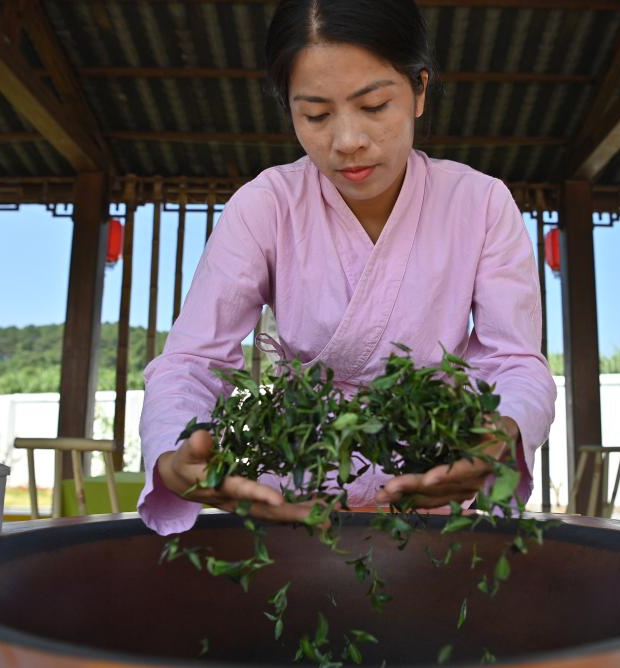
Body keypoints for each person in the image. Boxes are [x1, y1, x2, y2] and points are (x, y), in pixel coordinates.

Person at [139, 0, 556, 536]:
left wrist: (499, 433)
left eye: (376, 105)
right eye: (314, 115)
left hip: (434, 493)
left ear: (420, 90)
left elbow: (517, 362)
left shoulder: (480, 204)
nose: (347, 140)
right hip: (294, 496)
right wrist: (177, 450)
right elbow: (192, 360)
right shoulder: (267, 205)